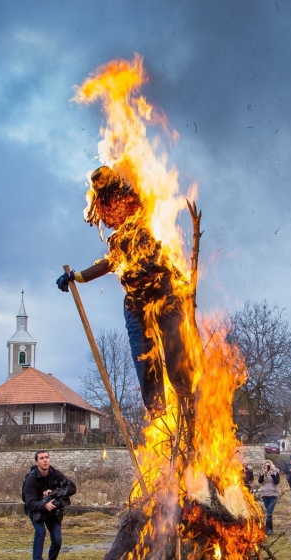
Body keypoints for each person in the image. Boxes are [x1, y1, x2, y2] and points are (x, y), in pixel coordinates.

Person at [57, 166, 192, 420]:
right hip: (136, 302)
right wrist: (75, 276)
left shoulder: (149, 225)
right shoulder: (119, 241)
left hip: (163, 293)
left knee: (175, 347)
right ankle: (156, 407)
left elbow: (169, 261)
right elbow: (108, 264)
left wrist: (184, 286)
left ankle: (186, 396)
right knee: (143, 353)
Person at [21, 450, 77, 560]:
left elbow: (72, 488)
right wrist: (44, 504)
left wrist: (54, 493)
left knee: (57, 540)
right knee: (40, 532)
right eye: (41, 458)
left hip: (53, 512)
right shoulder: (31, 479)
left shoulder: (55, 474)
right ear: (36, 462)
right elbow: (29, 503)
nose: (45, 460)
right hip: (36, 512)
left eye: (47, 457)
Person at [257, 460, 280, 535]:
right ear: (264, 466)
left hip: (273, 494)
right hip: (265, 494)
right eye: (265, 465)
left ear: (271, 465)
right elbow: (260, 482)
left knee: (269, 512)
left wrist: (272, 474)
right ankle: (270, 529)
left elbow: (277, 482)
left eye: (268, 465)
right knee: (268, 512)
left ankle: (267, 530)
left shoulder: (275, 471)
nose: (267, 466)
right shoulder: (262, 472)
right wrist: (263, 474)